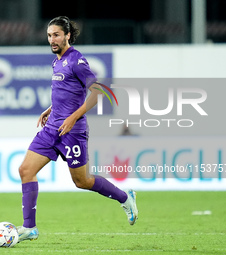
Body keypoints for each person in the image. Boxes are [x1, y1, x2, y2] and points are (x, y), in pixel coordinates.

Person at [17, 16, 138, 242]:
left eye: (56, 35)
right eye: (49, 35)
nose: (52, 40)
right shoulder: (56, 61)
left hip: (73, 132)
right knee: (25, 170)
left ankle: (124, 197)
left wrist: (73, 117)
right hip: (52, 128)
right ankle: (29, 228)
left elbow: (98, 91)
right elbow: (68, 93)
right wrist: (51, 109)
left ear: (67, 35)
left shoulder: (76, 60)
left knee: (82, 181)